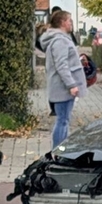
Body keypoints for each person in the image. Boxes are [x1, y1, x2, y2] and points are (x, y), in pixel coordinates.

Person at [41, 10, 87, 149]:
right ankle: (58, 151)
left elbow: (63, 62)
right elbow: (61, 65)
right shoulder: (60, 41)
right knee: (62, 120)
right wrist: (71, 85)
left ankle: (61, 150)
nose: (71, 23)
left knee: (64, 120)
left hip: (62, 88)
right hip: (62, 89)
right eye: (69, 21)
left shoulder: (60, 39)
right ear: (62, 23)